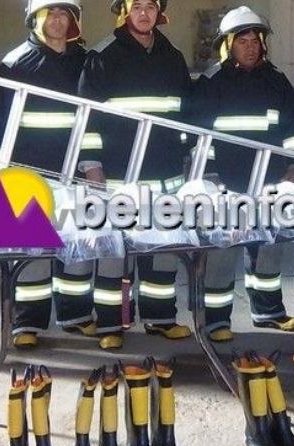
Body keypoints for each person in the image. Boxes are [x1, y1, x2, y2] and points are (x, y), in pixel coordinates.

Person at [77, 0, 192, 349]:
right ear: (125, 11)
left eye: (151, 7)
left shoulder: (172, 56)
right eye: (137, 6)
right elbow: (87, 117)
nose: (144, 13)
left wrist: (186, 154)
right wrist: (91, 163)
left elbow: (185, 113)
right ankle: (110, 324)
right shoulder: (102, 56)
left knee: (162, 250)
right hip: (118, 176)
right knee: (114, 253)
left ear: (159, 13)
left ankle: (160, 319)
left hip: (165, 176)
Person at [0, 0, 99, 349]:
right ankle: (27, 323)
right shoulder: (14, 62)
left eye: (64, 14)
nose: (57, 20)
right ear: (34, 18)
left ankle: (76, 315)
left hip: (73, 169)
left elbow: (92, 116)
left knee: (77, 244)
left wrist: (89, 161)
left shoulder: (83, 61)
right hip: (27, 169)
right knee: (32, 250)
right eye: (50, 13)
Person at [191, 6, 294, 335]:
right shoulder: (212, 82)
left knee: (269, 249)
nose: (251, 46)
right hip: (227, 184)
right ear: (228, 45)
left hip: (271, 182)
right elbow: (202, 135)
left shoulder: (277, 80)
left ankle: (268, 312)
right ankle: (216, 320)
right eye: (243, 41)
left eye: (256, 40)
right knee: (222, 252)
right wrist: (212, 180)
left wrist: (293, 172)